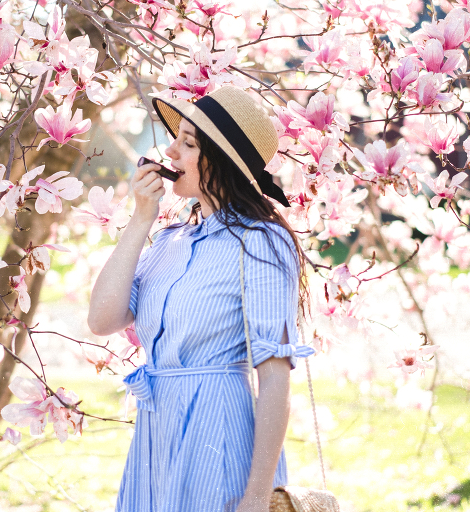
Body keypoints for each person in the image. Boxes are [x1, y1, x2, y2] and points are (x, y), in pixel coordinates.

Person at [87, 86, 312, 512]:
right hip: (155, 440)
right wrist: (140, 220)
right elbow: (102, 319)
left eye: (188, 143)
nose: (170, 151)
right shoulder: (170, 241)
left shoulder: (261, 241)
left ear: (221, 160)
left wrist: (257, 498)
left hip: (218, 437)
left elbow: (275, 377)